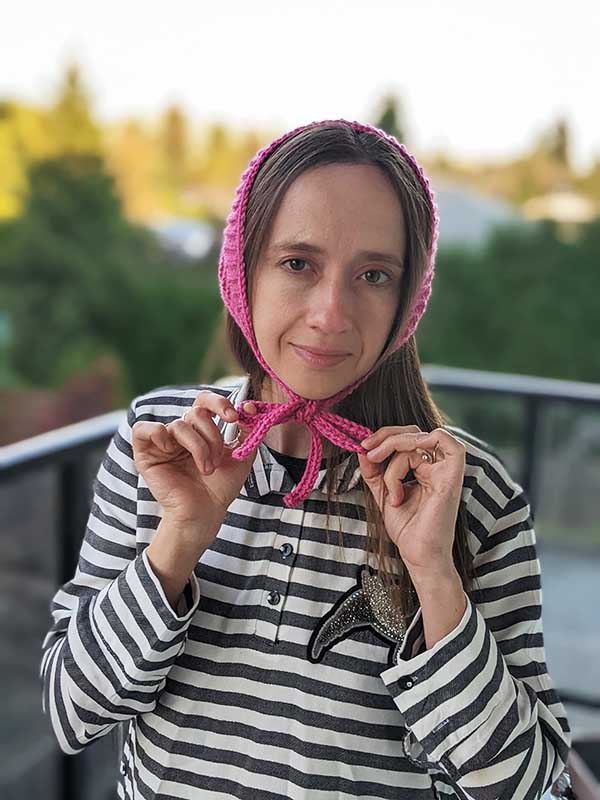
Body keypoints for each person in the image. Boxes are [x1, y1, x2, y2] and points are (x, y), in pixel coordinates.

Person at [40, 119, 573, 800]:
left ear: (406, 301)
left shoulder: (468, 491)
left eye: (373, 275)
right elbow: (71, 711)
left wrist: (434, 576)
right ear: (243, 270)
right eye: (298, 263)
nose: (330, 313)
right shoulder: (161, 442)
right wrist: (180, 538)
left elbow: (526, 786)